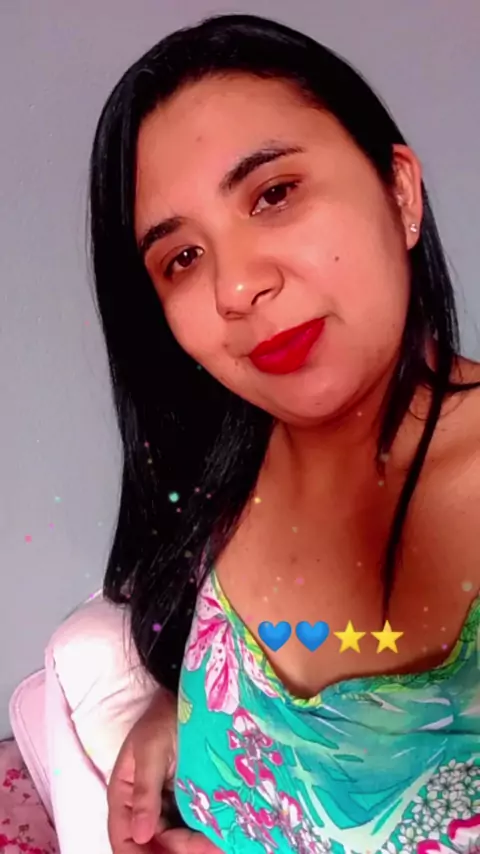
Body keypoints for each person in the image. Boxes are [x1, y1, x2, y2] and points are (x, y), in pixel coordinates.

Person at [89, 13, 480, 854]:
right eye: (182, 258)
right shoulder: (220, 471)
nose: (235, 287)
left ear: (400, 193)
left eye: (273, 194)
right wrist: (186, 715)